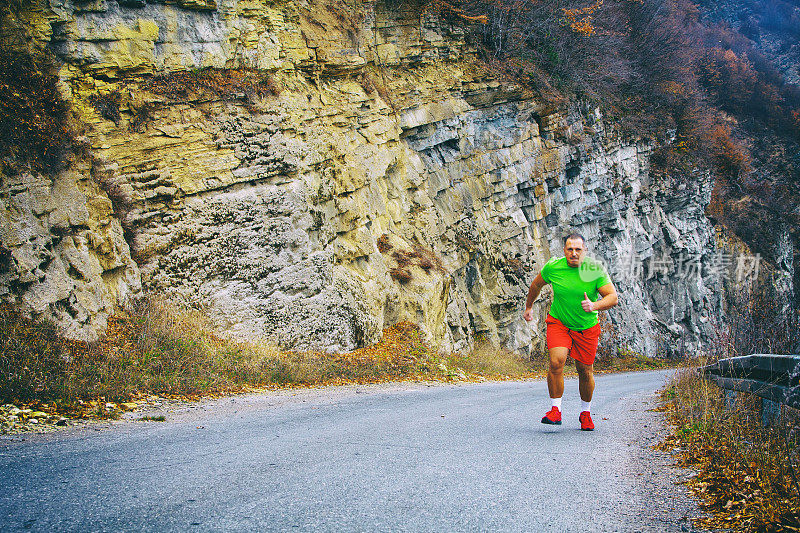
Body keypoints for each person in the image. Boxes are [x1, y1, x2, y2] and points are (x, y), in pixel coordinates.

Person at [523, 233, 618, 431]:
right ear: (564, 250)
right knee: (556, 362)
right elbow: (536, 285)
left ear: (584, 250)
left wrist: (594, 305)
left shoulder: (594, 270)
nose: (574, 253)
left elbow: (612, 297)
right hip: (559, 322)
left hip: (586, 327)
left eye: (578, 249)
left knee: (584, 371)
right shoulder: (554, 267)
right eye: (570, 249)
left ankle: (585, 413)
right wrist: (529, 307)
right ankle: (555, 410)